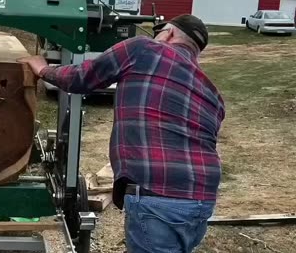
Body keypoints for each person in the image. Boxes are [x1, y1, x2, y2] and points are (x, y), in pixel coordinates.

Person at [19, 14, 225, 253]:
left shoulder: (144, 49)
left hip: (158, 196)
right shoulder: (212, 92)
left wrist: (43, 69)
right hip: (202, 199)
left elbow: (82, 77)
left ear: (168, 33)